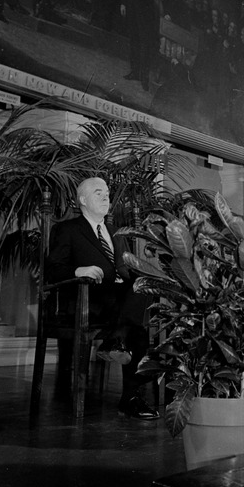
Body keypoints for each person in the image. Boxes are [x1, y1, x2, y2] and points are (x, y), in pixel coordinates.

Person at [45, 177, 159, 420]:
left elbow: (125, 269)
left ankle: (117, 343)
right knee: (136, 326)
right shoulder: (67, 229)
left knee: (144, 289)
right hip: (87, 300)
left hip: (118, 305)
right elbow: (52, 270)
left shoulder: (116, 233)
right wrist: (78, 271)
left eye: (108, 193)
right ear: (83, 200)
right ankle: (129, 391)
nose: (107, 197)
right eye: (99, 193)